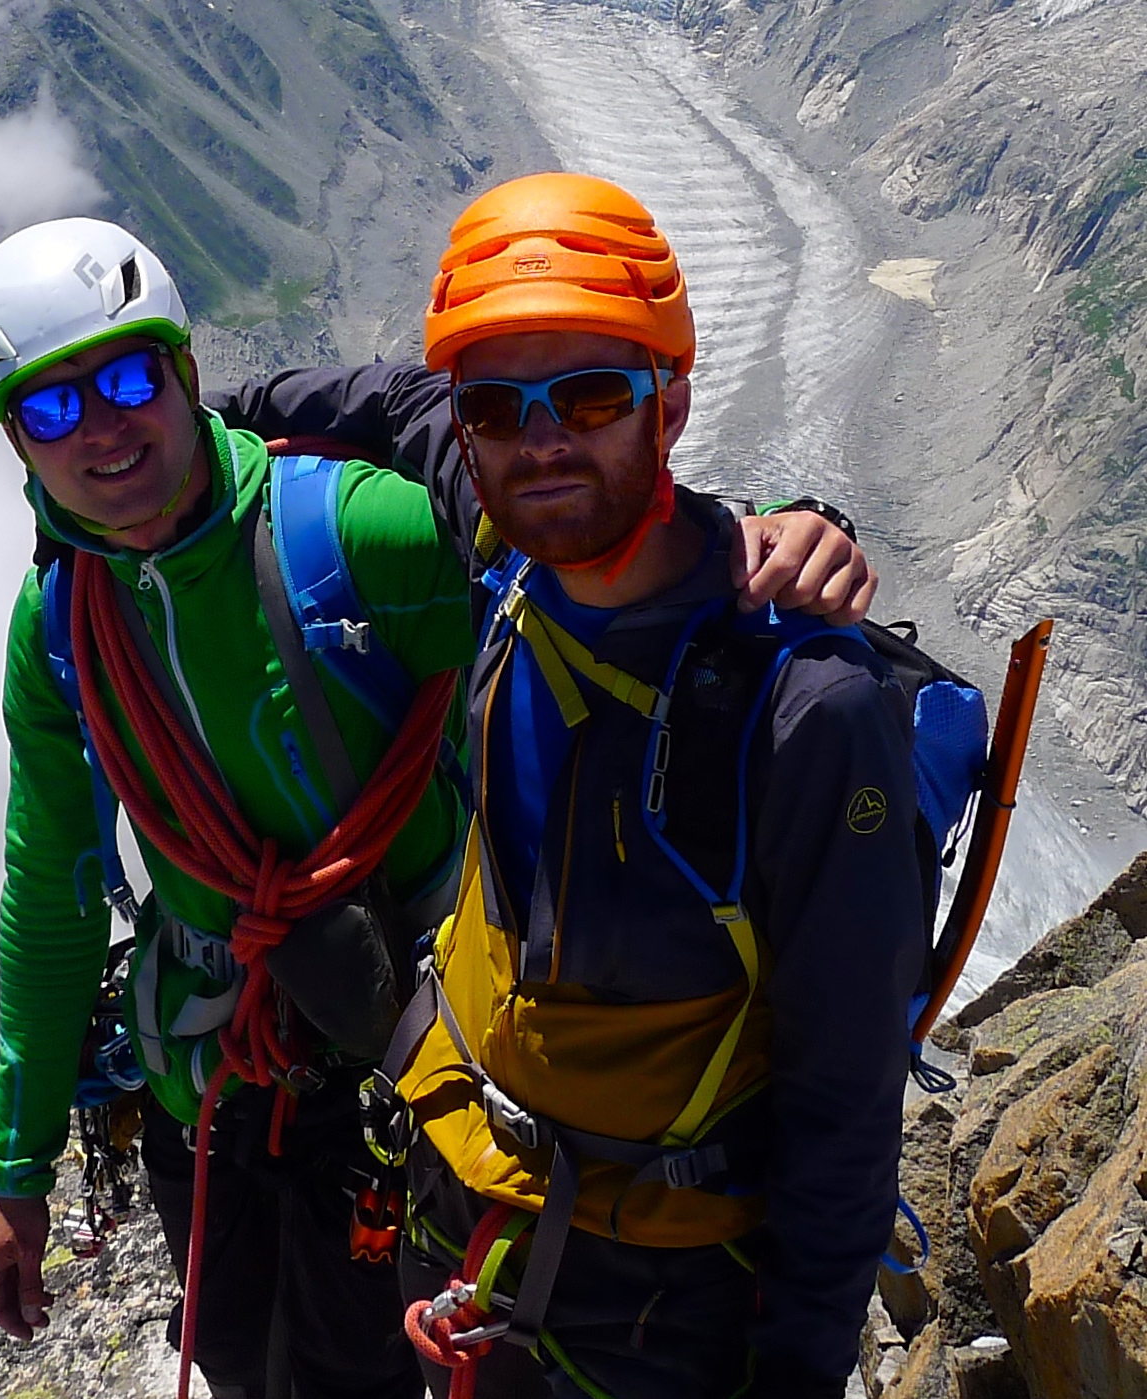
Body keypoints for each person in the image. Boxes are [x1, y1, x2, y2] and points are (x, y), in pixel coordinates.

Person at [0, 214, 877, 1399]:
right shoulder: (61, 628)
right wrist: (15, 1166)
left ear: (185, 374)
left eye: (131, 378)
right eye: (48, 411)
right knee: (239, 1352)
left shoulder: (352, 534)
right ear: (16, 446)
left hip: (403, 1075)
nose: (100, 427)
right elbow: (54, 888)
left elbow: (578, 559)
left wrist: (770, 545)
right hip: (218, 1073)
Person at [213, 173, 926, 1399]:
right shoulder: (505, 547)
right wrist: (189, 416)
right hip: (461, 1217)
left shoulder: (804, 709)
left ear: (672, 401)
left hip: (654, 1310)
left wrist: (796, 1370)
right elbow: (390, 399)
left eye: (591, 395)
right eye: (498, 405)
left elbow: (841, 1102)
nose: (541, 438)